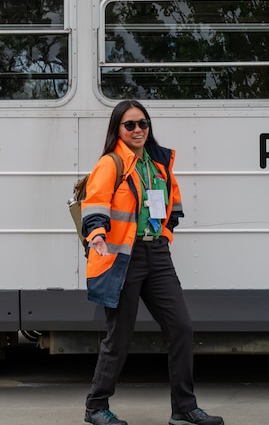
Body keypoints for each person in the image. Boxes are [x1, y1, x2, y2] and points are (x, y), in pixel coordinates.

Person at [80, 100, 224, 425]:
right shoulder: (111, 163)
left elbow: (174, 203)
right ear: (118, 129)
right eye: (129, 124)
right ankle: (95, 407)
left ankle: (184, 408)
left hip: (157, 254)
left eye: (143, 123)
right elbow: (95, 202)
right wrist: (97, 235)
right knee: (119, 336)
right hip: (123, 258)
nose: (138, 130)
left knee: (181, 328)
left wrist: (166, 234)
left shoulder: (159, 163)